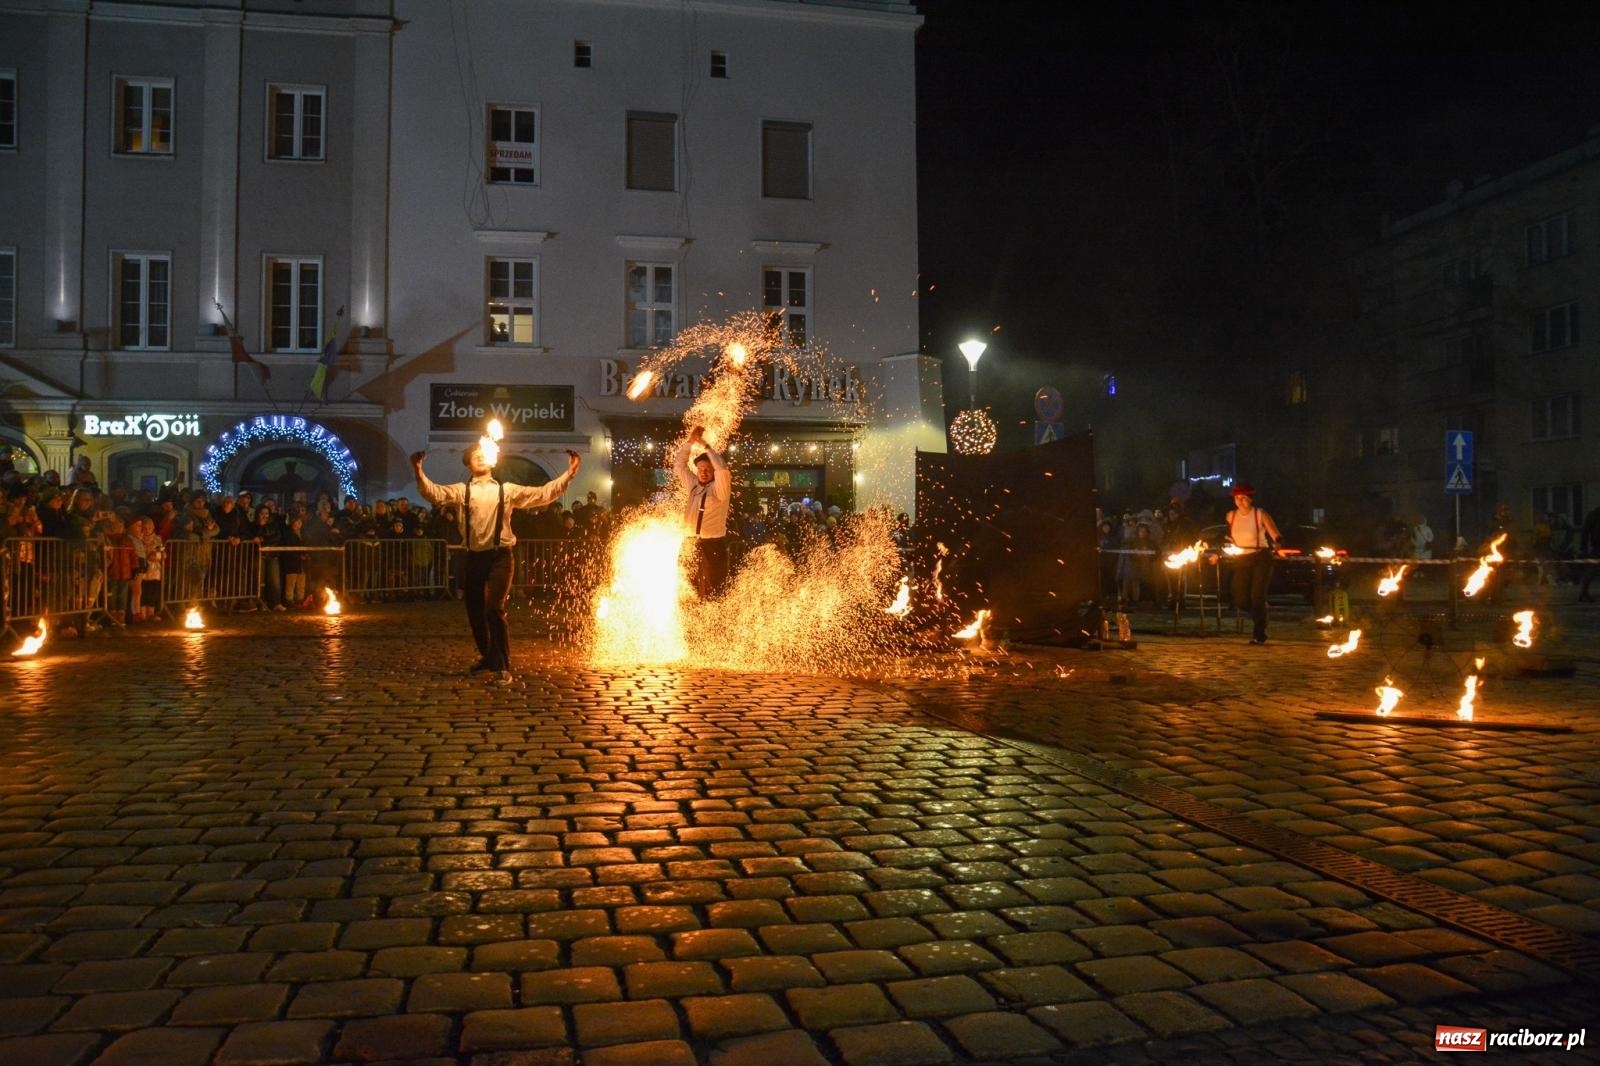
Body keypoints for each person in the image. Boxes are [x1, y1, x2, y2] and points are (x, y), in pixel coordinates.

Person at [412, 444, 580, 684]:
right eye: (474, 456)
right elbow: (435, 493)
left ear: (492, 461)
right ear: (468, 464)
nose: (479, 457)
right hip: (473, 557)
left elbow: (542, 494)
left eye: (483, 454)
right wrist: (418, 471)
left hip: (501, 556)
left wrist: (569, 474)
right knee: (475, 611)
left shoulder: (506, 490)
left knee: (493, 608)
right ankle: (489, 657)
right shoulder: (462, 491)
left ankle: (502, 665)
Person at [675, 426, 732, 600]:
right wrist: (691, 442)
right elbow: (679, 465)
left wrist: (705, 446)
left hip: (712, 545)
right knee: (687, 588)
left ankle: (713, 623)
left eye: (707, 469)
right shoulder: (693, 485)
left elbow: (722, 469)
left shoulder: (719, 489)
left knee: (713, 590)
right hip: (690, 543)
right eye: (700, 469)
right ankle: (690, 622)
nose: (703, 472)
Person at [1225, 483, 1281, 644]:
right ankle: (1261, 611)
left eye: (1243, 498)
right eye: (1237, 498)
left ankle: (1259, 633)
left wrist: (1277, 542)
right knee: (1241, 599)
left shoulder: (1260, 514)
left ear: (1250, 499)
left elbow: (1275, 534)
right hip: (1242, 559)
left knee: (1257, 596)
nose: (1240, 501)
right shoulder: (1231, 516)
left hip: (1260, 558)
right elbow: (1228, 536)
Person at [1579, 503, 1600, 603]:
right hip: (1597, 547)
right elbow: (1585, 532)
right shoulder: (1594, 515)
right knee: (1592, 570)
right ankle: (1584, 593)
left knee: (1591, 570)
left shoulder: (1592, 515)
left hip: (1596, 546)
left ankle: (1584, 593)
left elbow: (1585, 532)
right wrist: (1583, 549)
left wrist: (1583, 548)